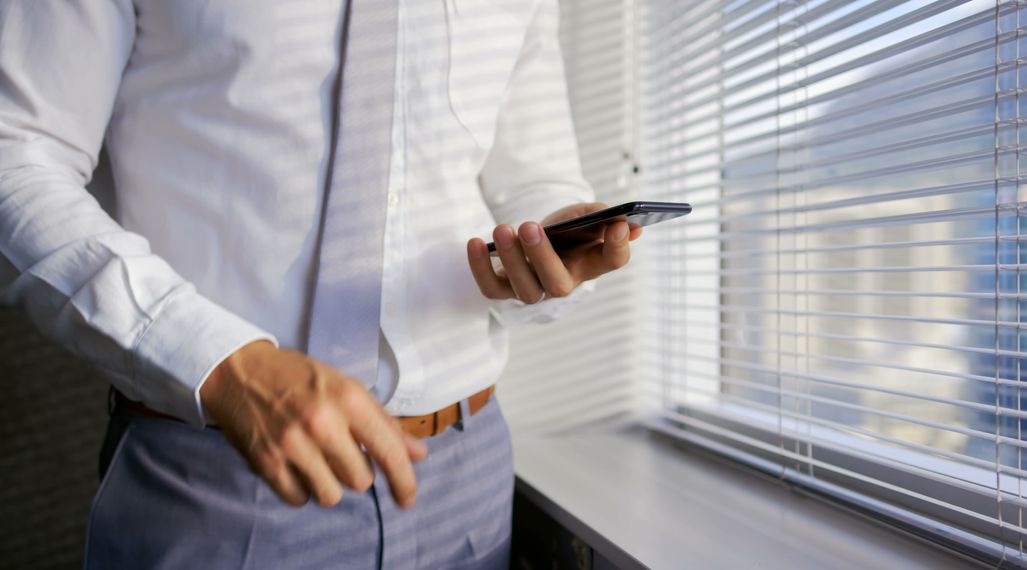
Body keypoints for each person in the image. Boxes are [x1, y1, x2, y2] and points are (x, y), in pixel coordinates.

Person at [0, 0, 638, 568]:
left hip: (467, 480)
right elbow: (17, 155)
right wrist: (222, 365)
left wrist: (555, 239)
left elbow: (534, 177)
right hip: (219, 480)